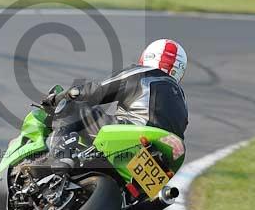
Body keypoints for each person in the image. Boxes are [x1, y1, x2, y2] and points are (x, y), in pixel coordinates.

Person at [42, 39, 189, 162]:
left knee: (73, 105)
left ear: (148, 56)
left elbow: (95, 91)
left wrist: (58, 99)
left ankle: (58, 156)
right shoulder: (181, 99)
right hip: (164, 156)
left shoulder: (142, 74)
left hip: (134, 135)